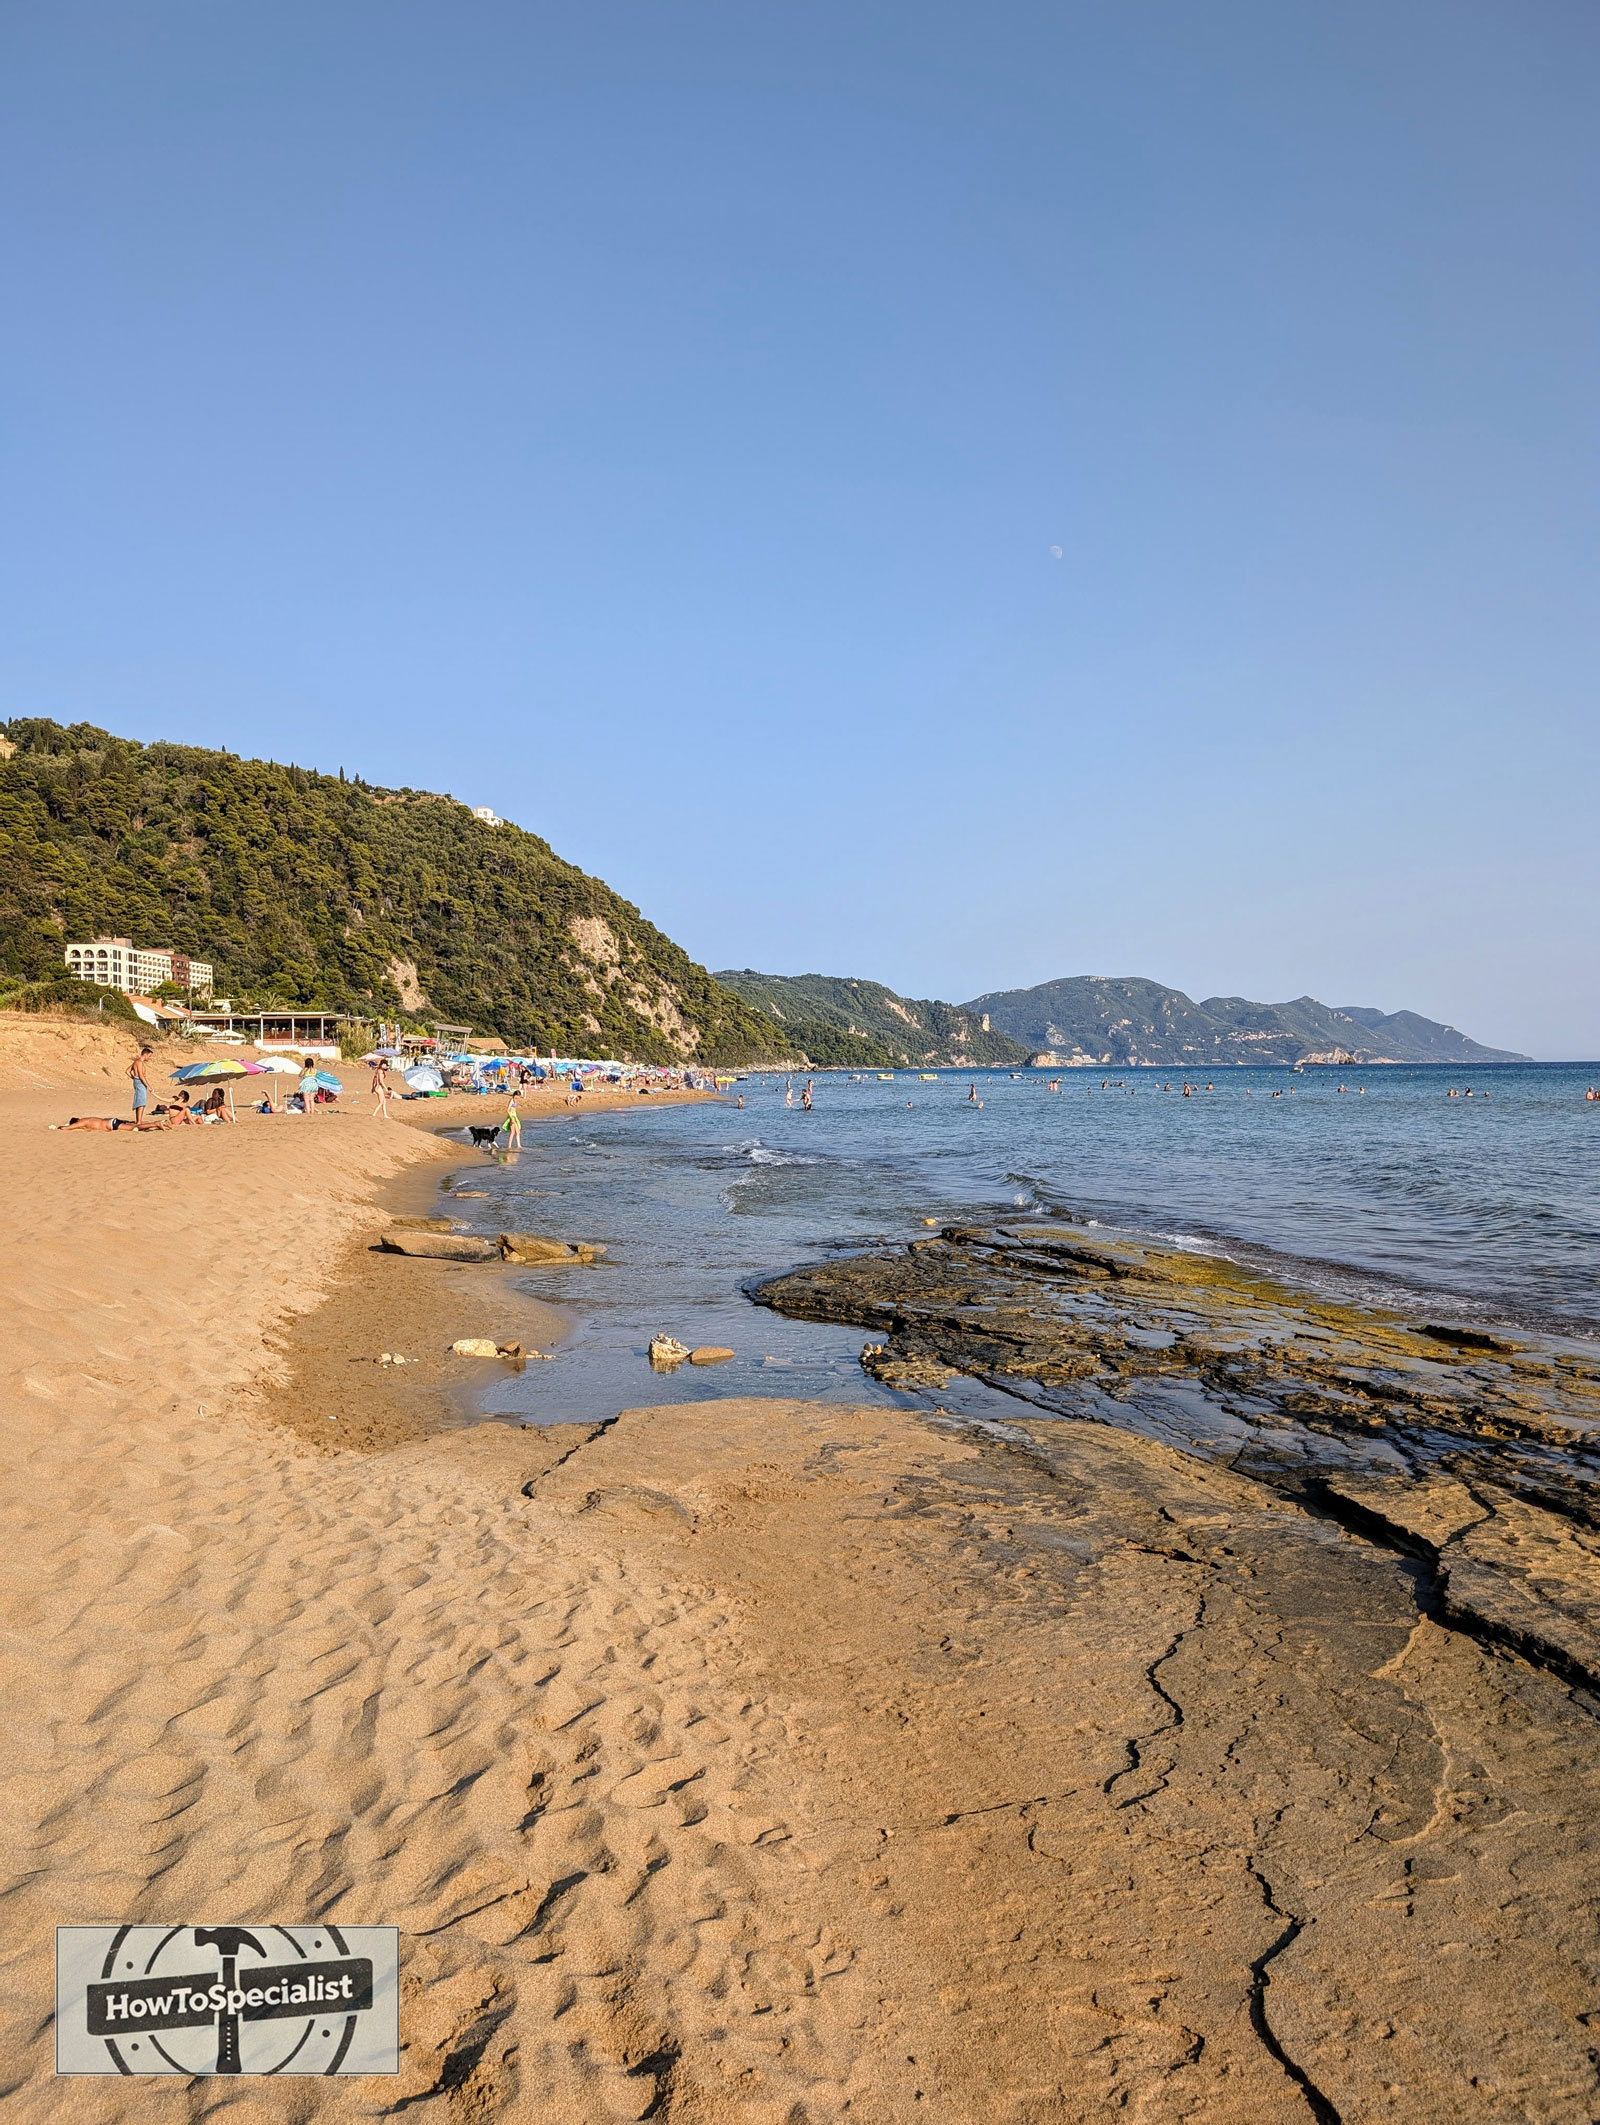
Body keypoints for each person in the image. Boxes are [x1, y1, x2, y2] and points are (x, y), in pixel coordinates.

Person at [130, 1045, 154, 1129]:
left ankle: (138, 1120)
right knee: (141, 1102)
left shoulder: (135, 1062)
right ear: (145, 1054)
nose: (149, 1058)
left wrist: (133, 1078)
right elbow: (141, 1075)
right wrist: (149, 1086)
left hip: (137, 1081)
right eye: (149, 1056)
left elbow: (127, 1071)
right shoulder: (139, 1062)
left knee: (139, 1100)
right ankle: (139, 1121)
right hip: (140, 1082)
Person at [370, 1055, 392, 1121]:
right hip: (378, 1087)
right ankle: (374, 1113)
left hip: (377, 1087)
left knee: (384, 1101)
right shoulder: (380, 1071)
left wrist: (373, 1087)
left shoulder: (379, 1070)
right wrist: (385, 1088)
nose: (386, 1066)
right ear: (383, 1064)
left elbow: (374, 1079)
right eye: (385, 1065)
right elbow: (380, 1080)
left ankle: (385, 1115)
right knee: (381, 1102)